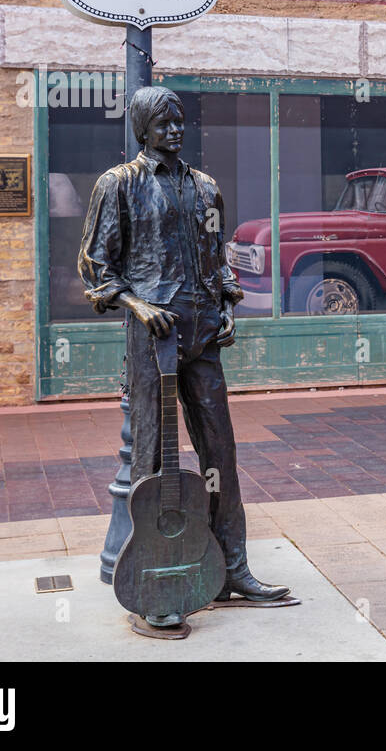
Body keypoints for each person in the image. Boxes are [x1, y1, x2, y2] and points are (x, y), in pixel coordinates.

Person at [79, 86, 289, 623]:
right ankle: (155, 583)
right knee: (152, 458)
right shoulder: (118, 185)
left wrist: (229, 305)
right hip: (154, 337)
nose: (175, 130)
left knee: (221, 454)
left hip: (201, 335)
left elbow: (218, 259)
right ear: (142, 129)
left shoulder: (205, 188)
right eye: (163, 123)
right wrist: (137, 306)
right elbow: (97, 268)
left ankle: (233, 566)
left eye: (179, 121)